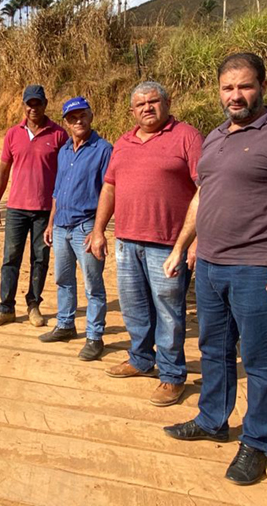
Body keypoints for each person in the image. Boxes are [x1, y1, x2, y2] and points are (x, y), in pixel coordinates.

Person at [162, 53, 267, 486]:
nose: (236, 95)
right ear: (219, 92)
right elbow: (201, 197)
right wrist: (182, 247)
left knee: (259, 359)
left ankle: (256, 442)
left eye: (245, 86)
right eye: (228, 88)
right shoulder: (214, 138)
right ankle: (213, 419)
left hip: (257, 266)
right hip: (210, 264)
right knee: (213, 349)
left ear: (262, 87)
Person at [89, 81, 203, 407]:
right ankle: (140, 358)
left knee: (169, 312)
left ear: (167, 102)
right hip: (127, 241)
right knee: (134, 308)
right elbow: (109, 188)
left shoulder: (187, 137)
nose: (147, 108)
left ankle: (171, 375)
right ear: (131, 111)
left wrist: (196, 241)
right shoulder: (123, 142)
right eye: (140, 105)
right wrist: (99, 231)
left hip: (168, 245)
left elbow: (206, 189)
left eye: (153, 102)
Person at [0, 85, 68, 328]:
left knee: (40, 259)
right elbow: (3, 170)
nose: (33, 108)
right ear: (24, 106)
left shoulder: (58, 135)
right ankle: (6, 308)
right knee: (10, 258)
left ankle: (34, 306)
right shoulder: (13, 134)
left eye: (38, 103)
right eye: (29, 104)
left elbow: (66, 173)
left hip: (44, 210)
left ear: (45, 104)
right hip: (16, 209)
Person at [38, 97, 112, 361]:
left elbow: (109, 191)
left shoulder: (103, 149)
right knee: (63, 280)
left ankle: (94, 337)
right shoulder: (64, 151)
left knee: (93, 285)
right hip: (61, 226)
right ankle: (66, 325)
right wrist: (50, 223)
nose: (78, 121)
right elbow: (58, 191)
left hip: (86, 227)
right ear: (66, 123)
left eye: (82, 115)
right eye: (72, 118)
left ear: (91, 116)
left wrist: (98, 230)